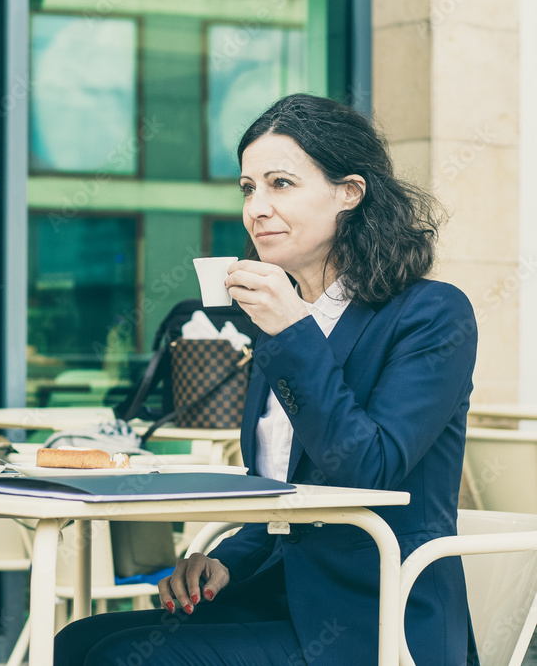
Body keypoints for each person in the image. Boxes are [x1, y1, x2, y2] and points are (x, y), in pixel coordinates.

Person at [54, 93, 477, 665]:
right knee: (79, 641)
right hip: (279, 596)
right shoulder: (281, 317)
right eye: (248, 188)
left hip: (374, 620)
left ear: (349, 192)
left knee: (123, 658)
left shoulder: (430, 313)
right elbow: (284, 494)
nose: (257, 207)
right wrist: (228, 559)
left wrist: (291, 331)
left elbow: (367, 471)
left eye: (281, 184)